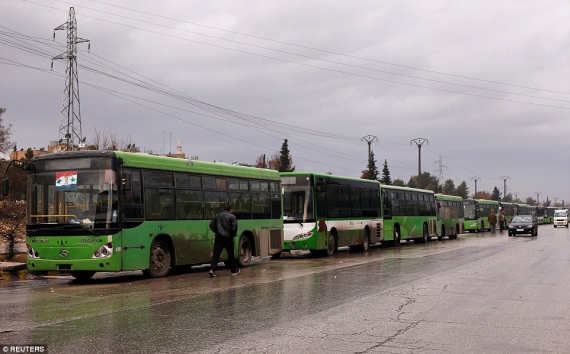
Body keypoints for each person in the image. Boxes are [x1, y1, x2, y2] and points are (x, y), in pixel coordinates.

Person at [209, 204, 239, 277]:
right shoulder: (232, 216)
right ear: (230, 210)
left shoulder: (217, 216)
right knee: (230, 254)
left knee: (216, 254)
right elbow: (234, 228)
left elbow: (211, 225)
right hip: (228, 238)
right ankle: (233, 270)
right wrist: (232, 235)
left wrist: (216, 232)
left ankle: (212, 269)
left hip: (218, 237)